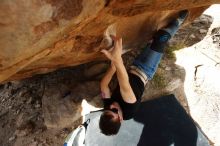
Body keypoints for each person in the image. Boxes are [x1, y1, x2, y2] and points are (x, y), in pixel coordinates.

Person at [99, 10, 189, 136]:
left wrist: (113, 68)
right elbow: (123, 82)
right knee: (161, 38)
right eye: (114, 110)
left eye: (107, 110)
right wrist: (117, 59)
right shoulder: (129, 108)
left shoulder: (109, 108)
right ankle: (177, 23)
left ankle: (156, 38)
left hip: (134, 67)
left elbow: (103, 86)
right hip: (146, 70)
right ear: (120, 118)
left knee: (153, 40)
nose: (111, 106)